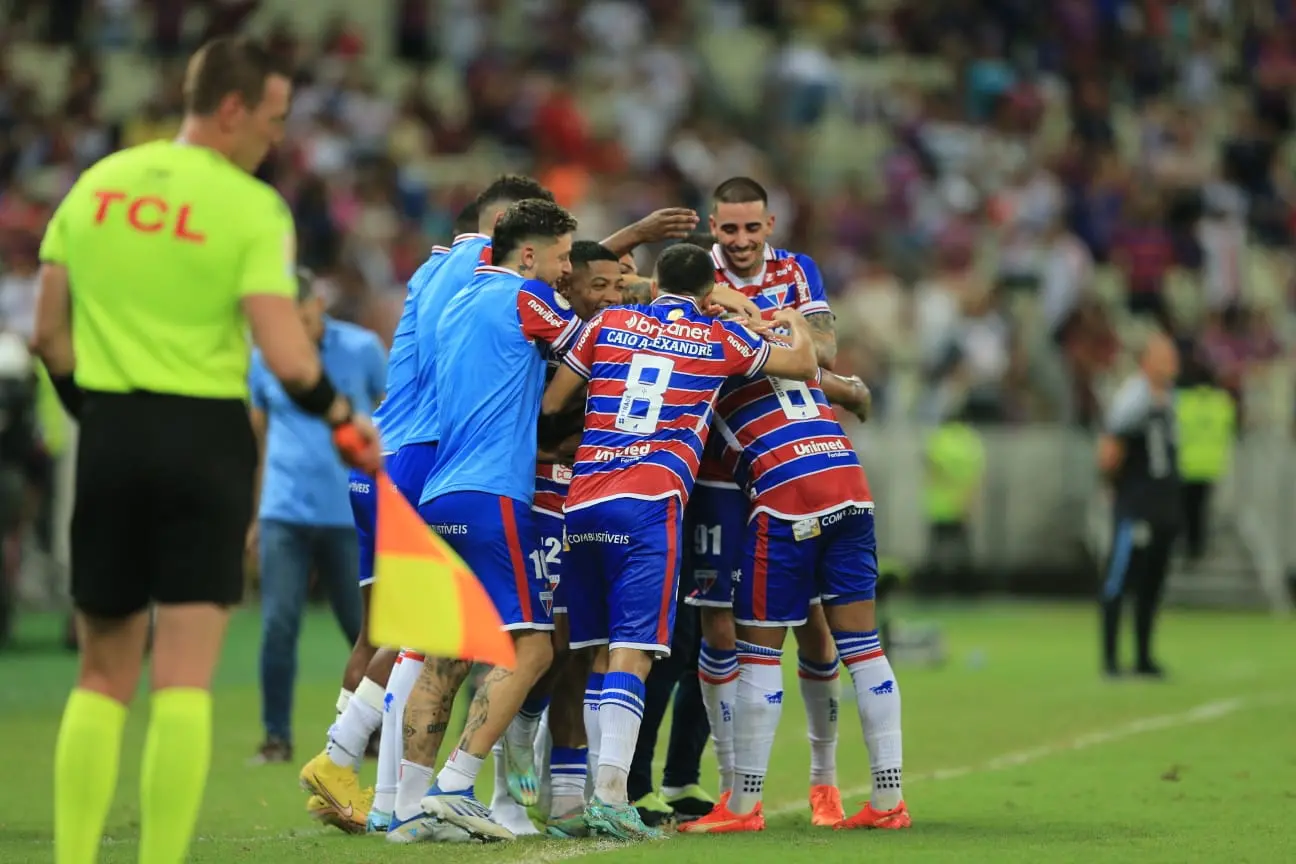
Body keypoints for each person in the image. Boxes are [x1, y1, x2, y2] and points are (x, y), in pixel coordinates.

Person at [33, 36, 381, 864]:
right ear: (231, 109)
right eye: (273, 118)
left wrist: (102, 413)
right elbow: (289, 358)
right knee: (182, 679)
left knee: (100, 677)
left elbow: (48, 334)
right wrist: (342, 420)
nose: (276, 135)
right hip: (205, 446)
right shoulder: (250, 206)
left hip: (112, 437)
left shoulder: (97, 183)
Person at [541, 242, 819, 840]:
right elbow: (801, 363)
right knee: (633, 654)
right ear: (704, 290)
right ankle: (613, 800)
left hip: (583, 498)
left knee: (594, 652)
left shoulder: (610, 322)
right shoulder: (721, 340)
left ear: (654, 279)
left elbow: (553, 401)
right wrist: (785, 317)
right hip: (650, 501)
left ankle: (592, 793)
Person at [301, 180, 553, 839]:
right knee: (428, 636)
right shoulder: (479, 276)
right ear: (506, 230)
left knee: (406, 631)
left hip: (390, 457)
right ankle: (350, 762)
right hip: (424, 457)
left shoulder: (435, 269)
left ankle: (384, 797)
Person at [407, 198, 582, 842]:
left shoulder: (458, 304)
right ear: (529, 254)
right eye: (564, 256)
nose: (566, 270)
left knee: (447, 653)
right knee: (532, 645)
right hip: (491, 495)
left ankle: (408, 808)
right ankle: (458, 785)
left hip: (440, 496)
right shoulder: (525, 297)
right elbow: (598, 350)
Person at [678, 359, 911, 833]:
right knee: (865, 649)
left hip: (787, 494)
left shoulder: (714, 352)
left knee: (759, 652)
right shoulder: (787, 347)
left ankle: (742, 806)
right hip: (849, 483)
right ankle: (889, 800)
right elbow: (820, 354)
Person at [688, 177, 845, 825]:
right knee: (718, 620)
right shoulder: (694, 276)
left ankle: (825, 778)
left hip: (789, 461)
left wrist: (752, 327)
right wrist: (780, 335)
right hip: (719, 468)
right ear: (712, 226)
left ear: (770, 224)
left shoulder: (796, 269)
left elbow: (826, 351)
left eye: (753, 229)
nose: (743, 242)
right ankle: (734, 786)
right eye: (730, 229)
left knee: (812, 622)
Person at [248, 268, 386, 765]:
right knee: (278, 624)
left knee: (364, 625)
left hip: (347, 510)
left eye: (302, 319)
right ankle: (275, 737)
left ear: (318, 308)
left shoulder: (363, 348)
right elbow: (261, 439)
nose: (296, 332)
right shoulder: (264, 358)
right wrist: (254, 514)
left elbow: (389, 414)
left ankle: (370, 730)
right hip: (283, 509)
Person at [513, 240, 626, 839]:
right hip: (536, 499)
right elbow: (538, 428)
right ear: (569, 287)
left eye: (617, 287)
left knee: (581, 651)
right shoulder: (544, 342)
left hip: (592, 503)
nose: (609, 297)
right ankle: (509, 775)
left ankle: (567, 793)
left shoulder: (620, 340)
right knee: (540, 652)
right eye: (597, 287)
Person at [1097, 329, 1182, 678]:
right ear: (1147, 361)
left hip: (1162, 505)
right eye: (1164, 356)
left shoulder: (1171, 399)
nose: (1171, 363)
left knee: (1152, 583)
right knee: (1120, 580)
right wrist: (1118, 491)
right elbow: (1109, 452)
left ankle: (1144, 657)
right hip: (1136, 504)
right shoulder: (1132, 399)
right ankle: (1111, 660)